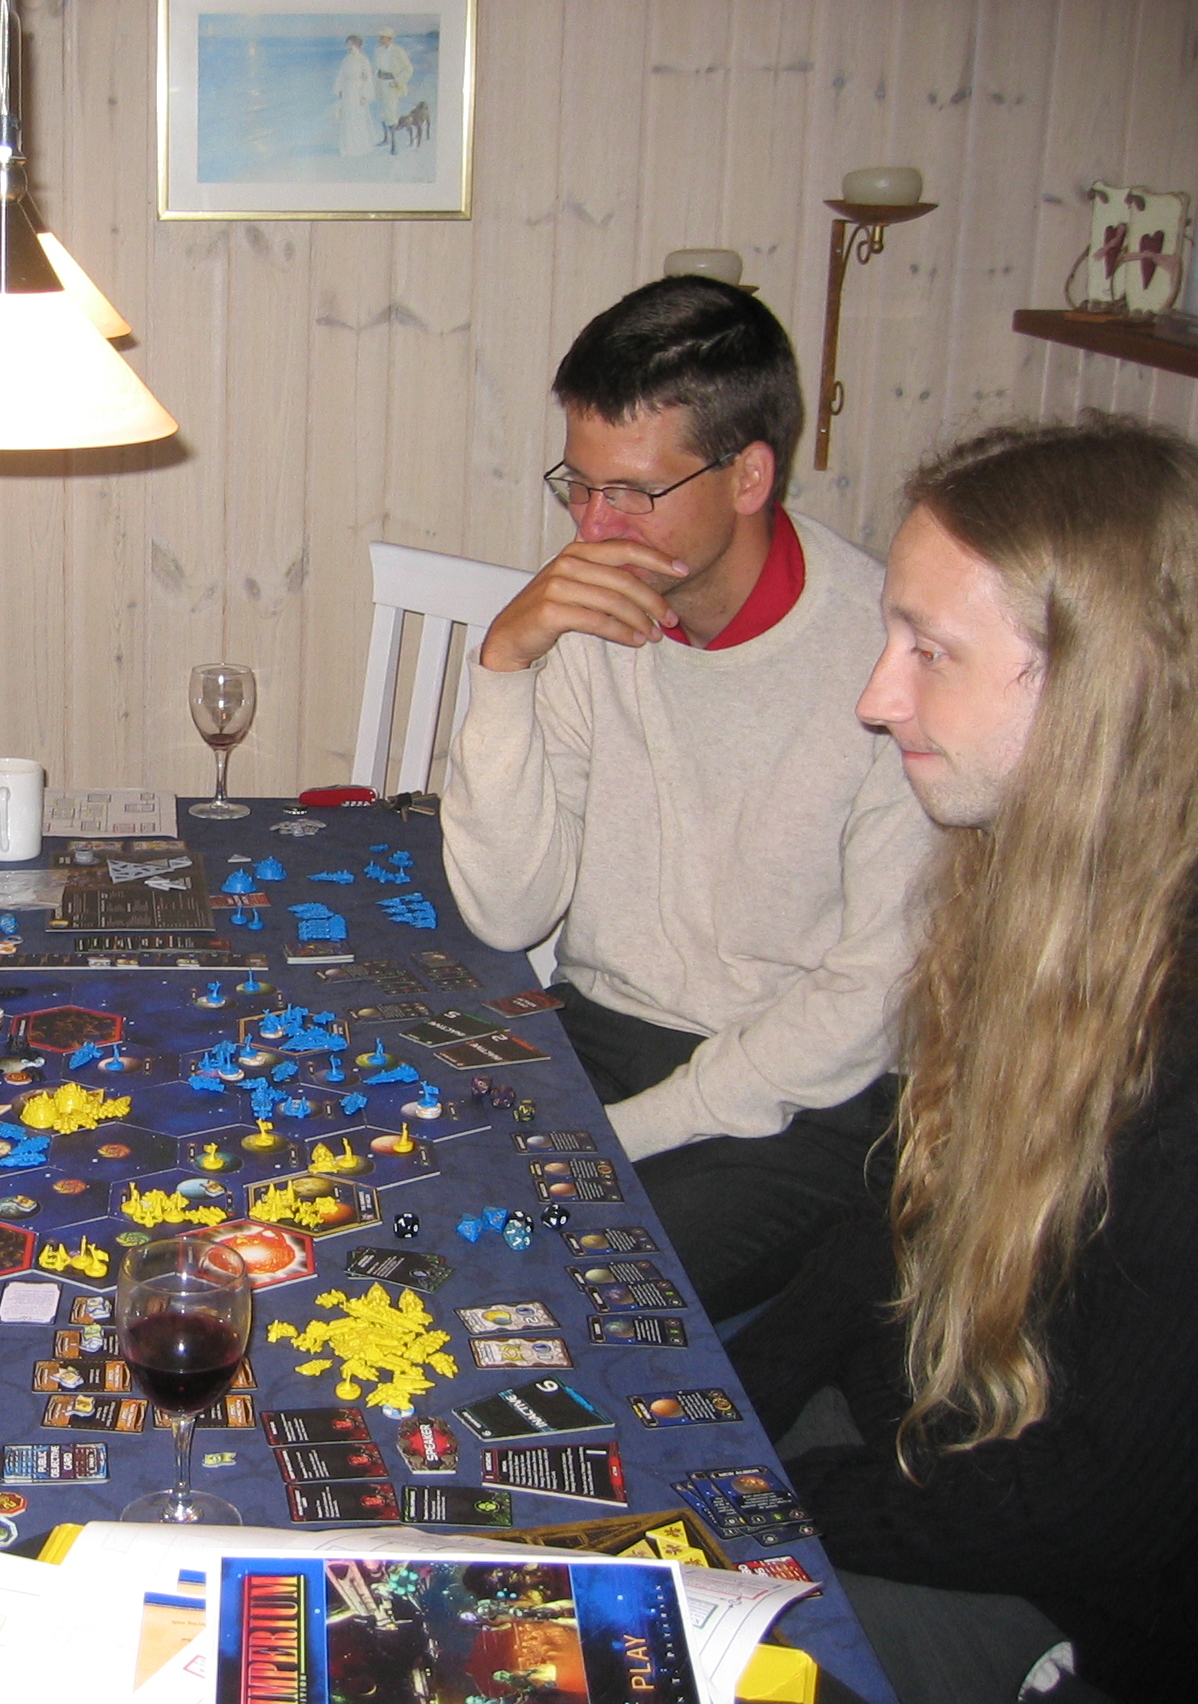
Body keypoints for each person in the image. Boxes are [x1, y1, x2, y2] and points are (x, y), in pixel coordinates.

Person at [730, 414, 1198, 1704]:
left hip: (1060, 1591)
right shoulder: (1034, 887)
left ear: (1100, 688)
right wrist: (726, 1410)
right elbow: (898, 1206)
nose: (876, 698)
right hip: (924, 1449)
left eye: (928, 650)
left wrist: (777, 1502)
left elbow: (1100, 1504)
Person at [439, 276, 936, 1318]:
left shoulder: (889, 662)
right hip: (600, 1031)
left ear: (749, 474)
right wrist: (505, 664)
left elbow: (867, 1003)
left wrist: (623, 1133)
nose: (593, 525)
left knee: (566, 1296)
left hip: (800, 1094)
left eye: (632, 492)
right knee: (393, 1200)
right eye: (578, 485)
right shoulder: (595, 609)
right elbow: (507, 913)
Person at [331, 36, 377, 158]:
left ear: (356, 45)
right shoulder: (346, 59)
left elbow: (368, 78)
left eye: (350, 44)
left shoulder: (363, 60)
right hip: (347, 89)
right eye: (348, 44)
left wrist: (365, 95)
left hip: (357, 90)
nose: (349, 46)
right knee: (347, 115)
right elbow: (341, 74)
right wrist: (339, 89)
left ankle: (359, 146)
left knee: (358, 115)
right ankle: (348, 147)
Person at [373, 29, 413, 136]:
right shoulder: (378, 51)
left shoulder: (398, 51)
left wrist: (398, 81)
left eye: (383, 37)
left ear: (389, 39)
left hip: (391, 84)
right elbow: (375, 68)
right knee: (382, 111)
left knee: (391, 110)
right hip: (380, 83)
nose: (380, 40)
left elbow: (408, 69)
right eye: (380, 37)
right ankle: (386, 137)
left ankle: (393, 140)